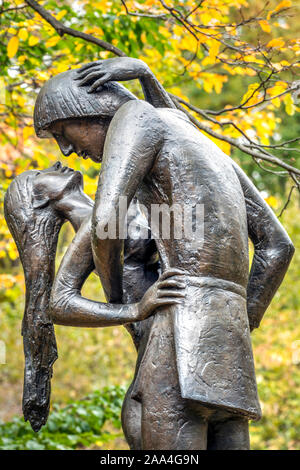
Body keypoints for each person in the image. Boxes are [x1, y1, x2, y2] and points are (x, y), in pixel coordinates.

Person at [33, 58, 295, 450]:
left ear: (90, 110)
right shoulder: (201, 142)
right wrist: (240, 316)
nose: (67, 150)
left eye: (61, 132)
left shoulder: (133, 117)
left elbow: (106, 221)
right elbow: (278, 247)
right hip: (231, 345)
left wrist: (125, 306)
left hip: (175, 336)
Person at [4, 161, 184, 433]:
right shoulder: (96, 224)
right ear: (39, 200)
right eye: (40, 174)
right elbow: (60, 305)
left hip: (176, 351)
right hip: (159, 364)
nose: (56, 163)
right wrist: (137, 309)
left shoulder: (110, 207)